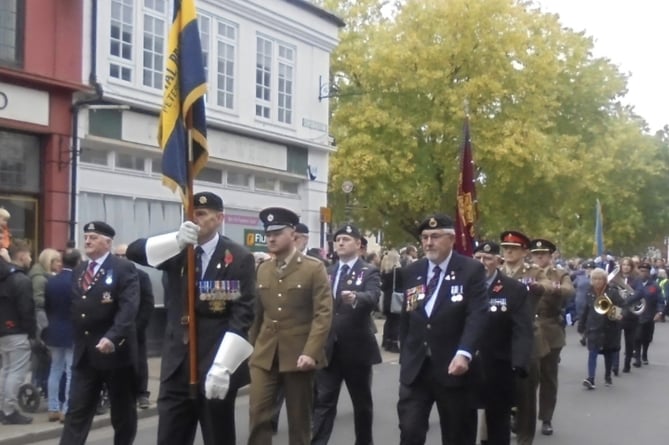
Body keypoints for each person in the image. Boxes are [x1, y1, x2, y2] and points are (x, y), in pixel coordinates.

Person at [127, 192, 256, 445]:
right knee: (169, 437)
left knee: (218, 437)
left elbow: (242, 314)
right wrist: (175, 240)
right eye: (190, 214)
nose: (194, 220)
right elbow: (134, 252)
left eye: (201, 214)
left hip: (215, 363)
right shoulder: (177, 250)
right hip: (177, 366)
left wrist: (223, 366)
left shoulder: (237, 257)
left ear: (219, 218)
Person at [398, 214, 489, 445]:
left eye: (435, 237)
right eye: (425, 237)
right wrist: (405, 353)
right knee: (410, 430)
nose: (429, 243)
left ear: (451, 239)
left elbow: (477, 314)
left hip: (453, 367)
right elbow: (408, 315)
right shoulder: (413, 271)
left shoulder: (471, 270)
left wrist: (465, 352)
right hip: (417, 368)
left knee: (457, 433)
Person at [248, 207, 332, 445]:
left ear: (293, 234)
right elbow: (257, 314)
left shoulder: (313, 268)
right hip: (265, 354)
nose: (271, 238)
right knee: (258, 415)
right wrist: (251, 350)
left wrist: (311, 352)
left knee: (299, 421)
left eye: (277, 232)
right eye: (268, 233)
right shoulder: (263, 269)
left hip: (299, 356)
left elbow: (323, 314)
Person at [59, 222, 140, 445]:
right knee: (77, 410)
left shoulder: (122, 269)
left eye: (93, 237)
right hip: (86, 352)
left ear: (107, 242)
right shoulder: (79, 270)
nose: (87, 241)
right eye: (86, 237)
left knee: (122, 412)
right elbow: (76, 306)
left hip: (115, 353)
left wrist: (113, 336)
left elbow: (128, 308)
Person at [312, 224, 382, 445]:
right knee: (324, 402)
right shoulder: (327, 271)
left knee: (361, 404)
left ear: (359, 245)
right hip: (329, 349)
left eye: (346, 239)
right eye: (337, 239)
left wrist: (357, 298)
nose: (340, 243)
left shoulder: (368, 271)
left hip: (357, 349)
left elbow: (373, 297)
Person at [473, 241, 533, 445]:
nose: (482, 263)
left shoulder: (514, 289)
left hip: (498, 365)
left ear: (498, 261)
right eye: (478, 258)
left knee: (498, 423)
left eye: (488, 258)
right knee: (461, 420)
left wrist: (519, 364)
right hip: (466, 364)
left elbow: (522, 329)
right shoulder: (462, 285)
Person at [499, 230, 546, 445]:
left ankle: (525, 439)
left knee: (525, 396)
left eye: (514, 248)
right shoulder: (495, 271)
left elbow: (547, 285)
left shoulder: (534, 272)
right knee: (493, 391)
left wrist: (537, 286)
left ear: (524, 251)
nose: (508, 251)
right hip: (497, 338)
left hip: (527, 338)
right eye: (505, 248)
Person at [529, 239, 574, 436]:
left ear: (551, 255)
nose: (539, 257)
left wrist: (553, 288)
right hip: (528, 329)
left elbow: (569, 290)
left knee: (548, 377)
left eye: (543, 254)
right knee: (527, 377)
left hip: (550, 329)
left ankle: (546, 418)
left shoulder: (559, 273)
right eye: (536, 254)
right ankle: (520, 414)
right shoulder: (526, 272)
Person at [114, 243, 155, 409]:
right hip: (115, 330)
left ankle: (141, 394)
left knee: (138, 362)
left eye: (124, 255)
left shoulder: (141, 276)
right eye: (118, 255)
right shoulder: (110, 276)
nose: (121, 259)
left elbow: (148, 303)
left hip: (135, 328)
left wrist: (138, 326)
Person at [0, 240, 36, 424]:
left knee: (5, 370)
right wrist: (32, 333)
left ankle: (3, 408)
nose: (30, 258)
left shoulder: (4, 277)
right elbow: (26, 310)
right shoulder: (21, 279)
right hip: (17, 331)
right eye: (29, 255)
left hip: (3, 330)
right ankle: (9, 409)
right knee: (15, 372)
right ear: (21, 256)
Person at [44, 248, 81, 422]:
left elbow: (47, 306)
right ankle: (66, 409)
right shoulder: (78, 282)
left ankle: (53, 407)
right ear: (78, 262)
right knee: (71, 370)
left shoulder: (51, 281)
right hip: (72, 331)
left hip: (54, 329)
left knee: (55, 369)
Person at [577, 268, 625, 388]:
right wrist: (581, 325)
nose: (597, 281)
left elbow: (621, 305)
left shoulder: (612, 292)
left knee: (608, 353)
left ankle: (608, 376)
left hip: (609, 327)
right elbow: (586, 309)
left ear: (604, 280)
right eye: (594, 279)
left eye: (600, 279)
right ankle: (591, 378)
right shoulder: (589, 292)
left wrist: (616, 314)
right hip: (594, 327)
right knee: (592, 352)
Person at [632, 262, 664, 367]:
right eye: (641, 271)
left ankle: (644, 353)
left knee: (647, 337)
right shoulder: (635, 283)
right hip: (637, 314)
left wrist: (659, 312)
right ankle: (637, 358)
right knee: (637, 336)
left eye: (645, 271)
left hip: (649, 314)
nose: (643, 273)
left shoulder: (654, 285)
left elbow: (660, 300)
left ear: (649, 272)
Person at [380, 249, 402, 353]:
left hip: (387, 299)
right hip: (395, 298)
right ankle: (394, 343)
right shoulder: (398, 271)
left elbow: (383, 286)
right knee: (396, 321)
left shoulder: (385, 272)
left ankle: (386, 341)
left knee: (389, 321)